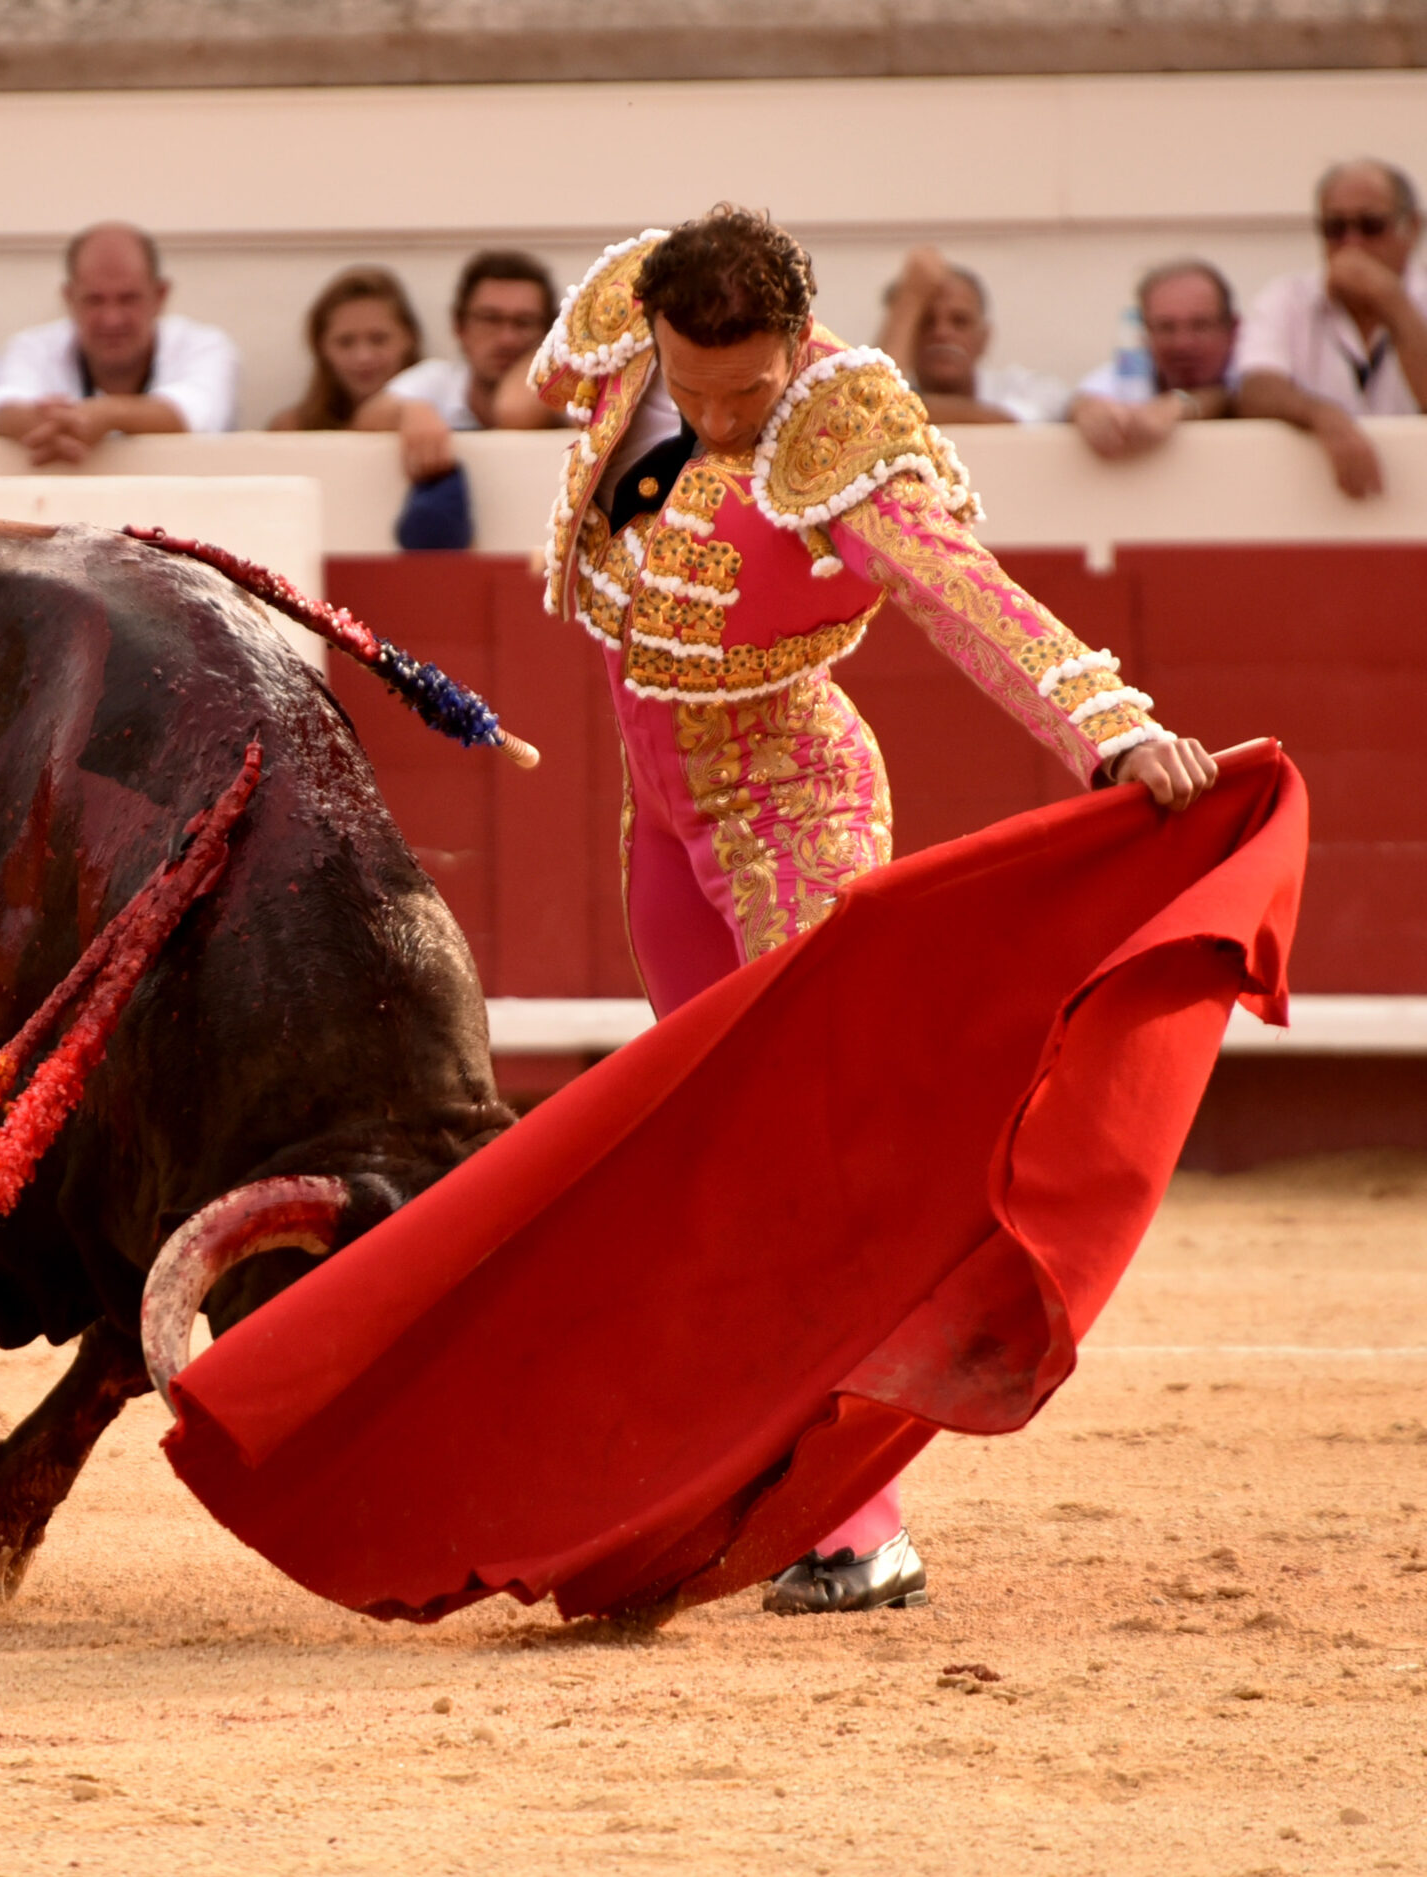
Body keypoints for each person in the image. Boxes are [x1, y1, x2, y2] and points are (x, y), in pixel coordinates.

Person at [527, 207, 1217, 1615]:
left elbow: (967, 596)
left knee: (814, 1166)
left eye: (748, 390)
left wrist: (1112, 728)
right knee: (721, 1161)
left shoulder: (842, 430)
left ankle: (858, 1525)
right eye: (696, 388)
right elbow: (545, 390)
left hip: (790, 804)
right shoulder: (625, 339)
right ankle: (756, 1469)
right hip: (660, 816)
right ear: (653, 334)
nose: (722, 421)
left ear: (798, 341)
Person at [1235, 158, 1427, 499]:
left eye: (1371, 226)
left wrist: (1394, 305)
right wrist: (1323, 417)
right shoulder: (1287, 299)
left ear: (1411, 228)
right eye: (1335, 228)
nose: (1352, 243)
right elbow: (1256, 391)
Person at [0, 223, 238, 465]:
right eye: (95, 300)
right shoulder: (32, 346)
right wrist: (58, 423)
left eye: (128, 299)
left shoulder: (205, 346)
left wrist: (108, 415)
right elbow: (0, 409)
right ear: (69, 298)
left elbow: (196, 414)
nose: (112, 319)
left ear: (160, 295)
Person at [381, 250, 566, 478]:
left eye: (524, 323)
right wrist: (407, 412)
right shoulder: (438, 379)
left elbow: (513, 412)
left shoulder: (568, 392)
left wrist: (546, 356)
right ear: (459, 326)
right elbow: (364, 418)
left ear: (547, 331)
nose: (507, 339)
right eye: (490, 319)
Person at [1069, 260, 1238, 460]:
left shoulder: (1250, 370)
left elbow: (1240, 397)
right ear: (1144, 332)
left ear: (1233, 328)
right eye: (1166, 327)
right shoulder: (1131, 373)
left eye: (1200, 325)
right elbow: (1083, 399)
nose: (1182, 343)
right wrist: (1085, 410)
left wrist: (1183, 404)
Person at [875, 247, 1067, 424]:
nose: (942, 333)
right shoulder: (891, 393)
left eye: (960, 321)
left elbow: (1005, 422)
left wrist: (897, 409)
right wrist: (909, 300)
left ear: (984, 338)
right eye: (926, 322)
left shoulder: (1028, 389)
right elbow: (874, 415)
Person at [267, 266, 424, 432]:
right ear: (320, 346)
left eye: (378, 339)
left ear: (410, 338)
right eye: (345, 342)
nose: (363, 357)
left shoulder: (438, 419)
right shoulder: (292, 429)